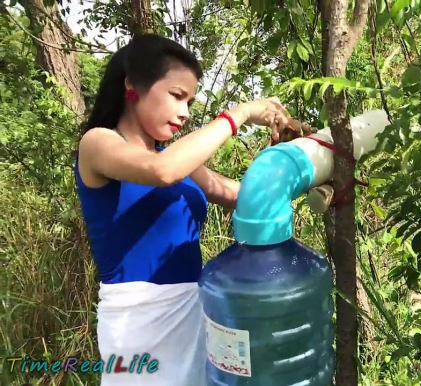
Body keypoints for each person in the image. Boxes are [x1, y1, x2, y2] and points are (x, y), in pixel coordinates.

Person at [74, 33, 304, 385]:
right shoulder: (100, 144)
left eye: (190, 102)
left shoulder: (173, 157)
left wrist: (293, 162)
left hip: (196, 311)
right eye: (176, 96)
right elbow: (162, 174)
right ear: (132, 85)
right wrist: (238, 115)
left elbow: (239, 193)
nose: (184, 112)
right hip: (138, 327)